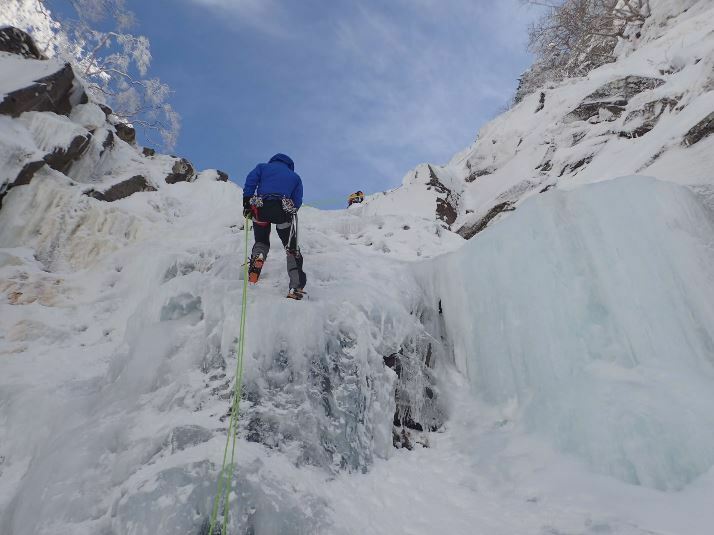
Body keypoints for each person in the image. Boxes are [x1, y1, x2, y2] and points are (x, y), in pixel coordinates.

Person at [242, 153, 307, 300]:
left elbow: (250, 181)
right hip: (283, 212)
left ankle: (258, 257)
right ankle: (295, 287)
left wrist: (247, 202)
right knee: (291, 249)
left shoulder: (262, 168)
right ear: (289, 165)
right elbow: (297, 200)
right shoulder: (295, 177)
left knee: (261, 241)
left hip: (261, 209)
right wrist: (292, 209)